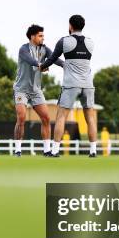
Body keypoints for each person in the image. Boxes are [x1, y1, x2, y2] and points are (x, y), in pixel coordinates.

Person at [39, 15, 97, 157]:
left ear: (70, 25)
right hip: (88, 84)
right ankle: (93, 151)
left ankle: (55, 150)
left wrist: (42, 67)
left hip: (71, 84)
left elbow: (52, 58)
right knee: (90, 118)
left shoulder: (64, 41)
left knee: (61, 117)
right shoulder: (91, 42)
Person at [13, 24, 64, 157]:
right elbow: (30, 60)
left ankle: (47, 150)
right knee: (21, 117)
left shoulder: (44, 49)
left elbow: (54, 58)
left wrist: (65, 65)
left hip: (36, 90)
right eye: (40, 35)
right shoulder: (23, 49)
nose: (43, 38)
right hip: (21, 89)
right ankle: (17, 150)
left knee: (46, 118)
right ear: (32, 36)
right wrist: (40, 65)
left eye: (43, 35)